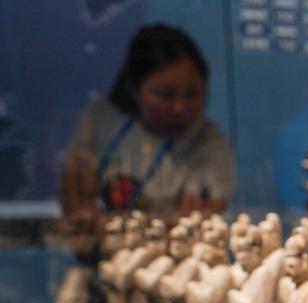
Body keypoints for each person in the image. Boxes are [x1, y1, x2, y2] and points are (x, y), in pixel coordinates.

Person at [62, 24, 235, 225]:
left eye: (192, 94)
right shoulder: (101, 121)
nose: (179, 107)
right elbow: (75, 204)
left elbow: (195, 221)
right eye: (165, 95)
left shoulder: (211, 145)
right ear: (133, 89)